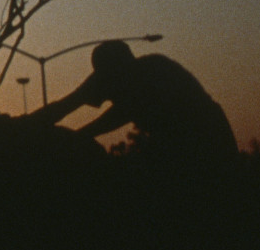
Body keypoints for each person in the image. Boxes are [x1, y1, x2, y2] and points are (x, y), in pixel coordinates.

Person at [36, 40, 237, 169]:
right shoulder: (105, 78)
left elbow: (119, 114)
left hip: (205, 135)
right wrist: (29, 126)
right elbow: (67, 103)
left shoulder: (155, 71)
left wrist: (76, 137)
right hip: (166, 141)